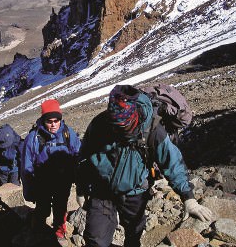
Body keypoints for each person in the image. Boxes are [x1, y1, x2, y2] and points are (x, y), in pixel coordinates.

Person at [76, 85, 213, 247]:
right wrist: (81, 187)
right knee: (95, 238)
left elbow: (173, 163)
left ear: (134, 116)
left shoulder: (153, 131)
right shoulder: (101, 123)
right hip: (102, 189)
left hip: (135, 192)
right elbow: (85, 156)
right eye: (115, 125)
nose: (118, 130)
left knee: (134, 234)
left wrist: (188, 198)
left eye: (123, 126)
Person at [21, 99, 82, 244]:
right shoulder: (33, 138)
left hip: (63, 181)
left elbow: (78, 154)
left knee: (61, 207)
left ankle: (59, 232)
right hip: (43, 182)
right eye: (50, 121)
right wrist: (28, 190)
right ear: (43, 120)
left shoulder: (68, 133)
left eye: (57, 120)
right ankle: (38, 230)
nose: (54, 124)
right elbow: (26, 166)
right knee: (42, 208)